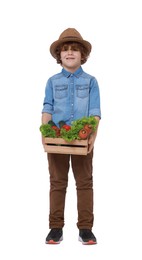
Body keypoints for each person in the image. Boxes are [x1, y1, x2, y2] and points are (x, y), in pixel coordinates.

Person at [41, 28, 101, 245]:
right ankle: (55, 227)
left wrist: (93, 134)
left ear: (82, 55)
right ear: (59, 55)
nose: (69, 53)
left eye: (74, 49)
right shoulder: (52, 81)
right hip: (57, 139)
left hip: (82, 140)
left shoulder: (92, 81)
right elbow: (47, 107)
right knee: (57, 182)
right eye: (65, 50)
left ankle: (85, 228)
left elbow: (95, 111)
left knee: (84, 182)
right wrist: (45, 132)